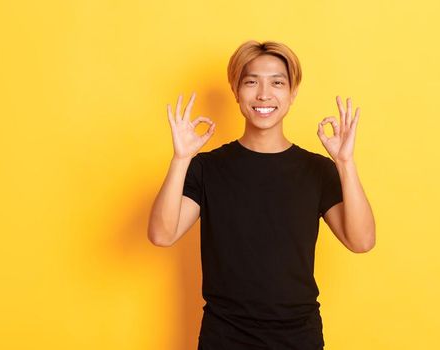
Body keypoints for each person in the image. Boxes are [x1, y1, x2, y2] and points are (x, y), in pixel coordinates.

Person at [147, 40, 376, 350]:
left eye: (277, 83)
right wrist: (180, 159)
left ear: (293, 93)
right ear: (236, 92)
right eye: (251, 82)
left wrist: (345, 163)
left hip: (298, 336)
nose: (264, 94)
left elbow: (361, 241)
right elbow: (162, 234)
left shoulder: (317, 170)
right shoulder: (207, 168)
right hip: (224, 336)